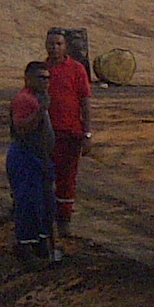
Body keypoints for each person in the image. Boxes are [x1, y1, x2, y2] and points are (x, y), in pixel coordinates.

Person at [43, 28, 93, 239]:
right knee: (43, 177)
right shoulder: (41, 70)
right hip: (44, 134)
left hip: (70, 133)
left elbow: (85, 101)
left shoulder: (76, 69)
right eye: (51, 44)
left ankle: (64, 221)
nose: (55, 48)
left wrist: (87, 133)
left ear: (65, 46)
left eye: (59, 44)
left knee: (66, 180)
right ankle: (43, 221)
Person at [6, 60, 57, 265]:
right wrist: (39, 112)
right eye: (41, 78)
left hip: (40, 158)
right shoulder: (25, 100)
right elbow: (21, 128)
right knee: (28, 202)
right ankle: (24, 247)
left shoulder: (39, 98)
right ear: (28, 78)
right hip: (25, 156)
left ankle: (40, 243)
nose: (46, 82)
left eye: (48, 78)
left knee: (45, 203)